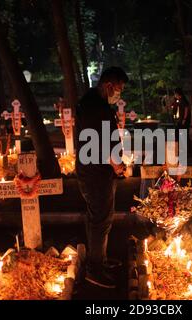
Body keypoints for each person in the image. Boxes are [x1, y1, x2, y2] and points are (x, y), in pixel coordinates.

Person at [76, 67, 129, 289]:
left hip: (92, 170)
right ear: (109, 85)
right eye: (119, 89)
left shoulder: (90, 101)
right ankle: (95, 270)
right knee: (101, 221)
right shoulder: (96, 107)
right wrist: (117, 166)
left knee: (96, 219)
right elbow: (100, 142)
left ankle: (99, 260)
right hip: (97, 173)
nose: (119, 94)